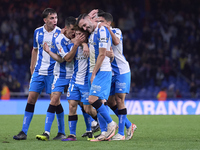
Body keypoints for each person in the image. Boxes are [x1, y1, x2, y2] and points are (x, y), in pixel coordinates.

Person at [13, 8, 61, 140]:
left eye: (56, 17)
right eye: (52, 18)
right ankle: (23, 131)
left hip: (53, 73)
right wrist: (31, 66)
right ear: (45, 20)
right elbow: (34, 50)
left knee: (55, 102)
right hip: (39, 71)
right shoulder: (37, 32)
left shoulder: (60, 33)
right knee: (31, 99)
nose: (55, 20)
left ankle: (61, 131)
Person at [35, 16, 84, 141]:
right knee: (54, 100)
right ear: (66, 28)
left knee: (82, 103)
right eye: (72, 30)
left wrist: (82, 44)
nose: (74, 33)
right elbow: (65, 59)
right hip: (61, 75)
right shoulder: (59, 40)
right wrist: (76, 44)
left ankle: (89, 129)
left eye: (76, 30)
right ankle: (46, 132)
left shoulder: (78, 37)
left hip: (75, 74)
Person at [77, 13, 117, 142]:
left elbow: (102, 54)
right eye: (82, 27)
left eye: (84, 25)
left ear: (90, 19)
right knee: (99, 103)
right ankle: (104, 133)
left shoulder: (101, 30)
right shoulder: (93, 32)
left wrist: (94, 73)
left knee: (92, 99)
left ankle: (111, 124)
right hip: (94, 70)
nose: (84, 28)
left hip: (102, 70)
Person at [97, 12, 137, 140]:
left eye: (101, 21)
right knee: (108, 101)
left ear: (108, 23)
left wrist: (108, 29)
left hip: (121, 71)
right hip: (108, 72)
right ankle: (129, 125)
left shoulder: (116, 31)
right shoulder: (98, 34)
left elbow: (116, 41)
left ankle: (120, 134)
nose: (98, 24)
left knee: (120, 100)